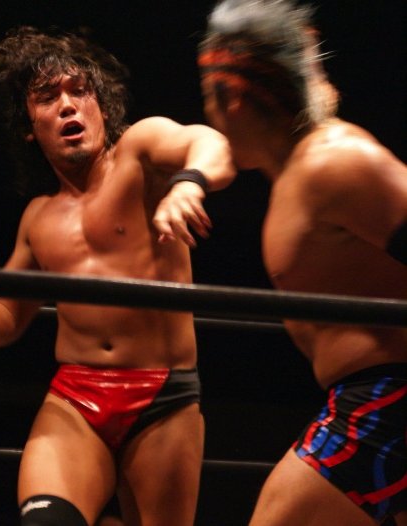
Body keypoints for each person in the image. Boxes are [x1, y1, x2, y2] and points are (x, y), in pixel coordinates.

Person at [0, 26, 236, 526]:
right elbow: (7, 323)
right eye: (48, 98)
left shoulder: (140, 154)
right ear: (29, 125)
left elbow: (208, 142)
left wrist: (189, 184)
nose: (68, 106)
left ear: (102, 106)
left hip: (162, 396)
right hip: (74, 398)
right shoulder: (38, 217)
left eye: (79, 91)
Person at [196, 1, 407, 525]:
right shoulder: (297, 176)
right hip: (367, 396)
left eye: (207, 99)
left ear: (233, 99)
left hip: (387, 401)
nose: (208, 115)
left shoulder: (334, 160)